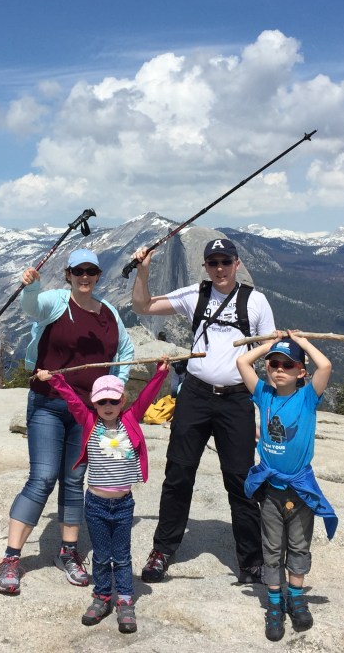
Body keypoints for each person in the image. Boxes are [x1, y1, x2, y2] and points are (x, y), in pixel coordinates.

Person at [131, 237, 275, 584]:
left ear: (237, 264)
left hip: (237, 399)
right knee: (179, 474)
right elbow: (143, 307)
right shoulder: (195, 294)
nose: (220, 268)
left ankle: (251, 559)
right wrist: (143, 272)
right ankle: (163, 549)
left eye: (226, 262)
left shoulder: (255, 302)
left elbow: (271, 347)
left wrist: (266, 400)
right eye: (213, 263)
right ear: (206, 266)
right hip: (194, 395)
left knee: (241, 479)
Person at [0, 248, 135, 596]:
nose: (85, 277)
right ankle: (11, 557)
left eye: (91, 271)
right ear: (68, 274)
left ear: (98, 275)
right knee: (43, 477)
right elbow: (32, 308)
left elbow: (126, 352)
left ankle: (69, 552)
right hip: (48, 402)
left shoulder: (109, 314)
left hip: (86, 412)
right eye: (78, 271)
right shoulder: (57, 302)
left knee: (74, 478)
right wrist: (31, 286)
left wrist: (116, 387)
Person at [37, 358, 171, 634]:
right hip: (96, 504)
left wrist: (160, 374)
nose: (108, 407)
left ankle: (124, 599)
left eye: (113, 401)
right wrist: (54, 380)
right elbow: (72, 399)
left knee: (121, 556)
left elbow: (146, 397)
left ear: (123, 400)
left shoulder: (130, 419)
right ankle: (101, 597)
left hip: (123, 505)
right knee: (100, 555)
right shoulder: (89, 421)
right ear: (94, 403)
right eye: (102, 402)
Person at [237, 331, 339, 642]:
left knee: (298, 545)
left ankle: (296, 596)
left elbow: (326, 366)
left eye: (288, 364)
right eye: (274, 364)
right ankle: (274, 602)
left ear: (301, 372)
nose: (279, 368)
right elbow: (242, 361)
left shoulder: (308, 396)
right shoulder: (263, 394)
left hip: (300, 489)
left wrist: (302, 342)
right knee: (271, 548)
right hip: (270, 489)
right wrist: (271, 345)